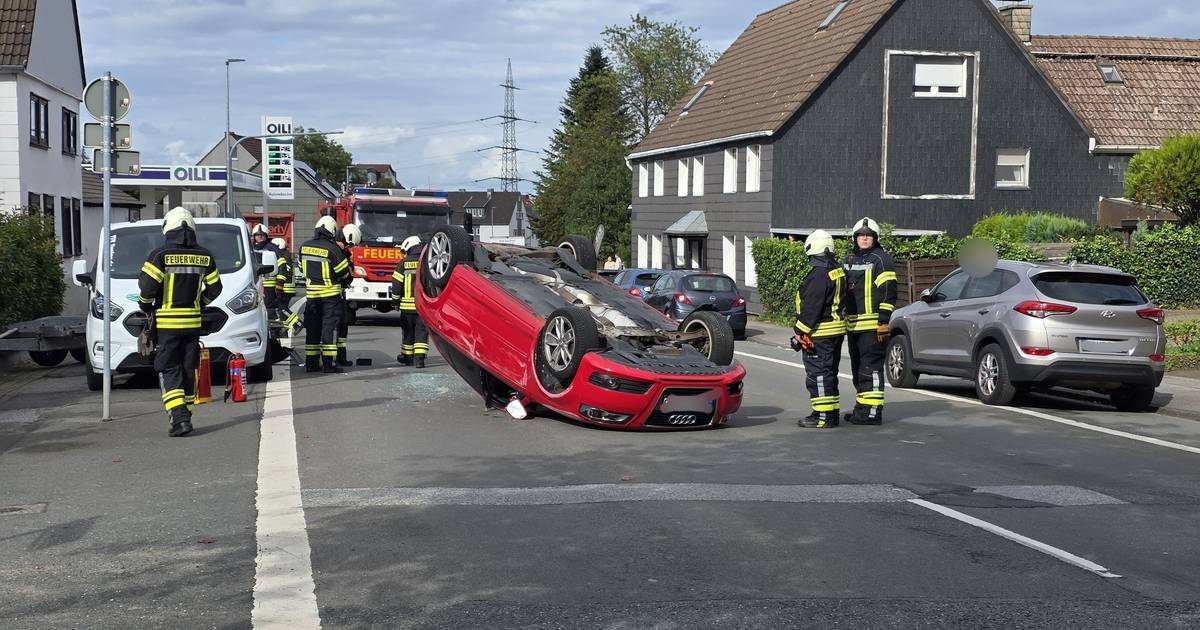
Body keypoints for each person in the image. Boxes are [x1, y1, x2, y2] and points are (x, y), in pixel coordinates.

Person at [137, 207, 222, 437]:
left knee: (168, 368)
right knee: (187, 368)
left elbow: (146, 289)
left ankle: (179, 418)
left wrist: (146, 306)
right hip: (193, 324)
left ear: (168, 228)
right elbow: (216, 288)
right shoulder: (205, 255)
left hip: (166, 324)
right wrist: (199, 302)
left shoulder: (159, 255)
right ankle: (185, 413)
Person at [842, 217, 897, 425]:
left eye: (869, 235)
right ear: (855, 238)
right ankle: (861, 410)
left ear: (875, 238)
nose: (864, 239)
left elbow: (889, 292)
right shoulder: (849, 259)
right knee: (858, 370)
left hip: (873, 327)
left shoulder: (881, 259)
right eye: (861, 235)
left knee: (871, 369)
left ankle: (873, 412)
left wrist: (883, 321)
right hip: (853, 325)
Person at [792, 229, 847, 429]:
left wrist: (800, 332)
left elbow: (812, 307)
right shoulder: (837, 270)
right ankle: (831, 413)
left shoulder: (818, 274)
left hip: (820, 333)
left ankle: (822, 417)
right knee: (829, 373)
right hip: (836, 330)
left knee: (819, 375)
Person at [299, 216, 350, 373]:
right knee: (328, 329)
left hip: (312, 296)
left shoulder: (304, 246)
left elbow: (301, 268)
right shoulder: (333, 249)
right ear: (332, 231)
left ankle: (311, 363)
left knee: (313, 329)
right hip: (331, 297)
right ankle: (328, 365)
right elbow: (344, 274)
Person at [391, 235, 429, 368]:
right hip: (422, 306)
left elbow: (396, 284)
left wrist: (395, 301)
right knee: (421, 332)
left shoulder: (403, 263)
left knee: (408, 331)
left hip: (406, 307)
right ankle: (419, 360)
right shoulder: (426, 263)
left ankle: (407, 358)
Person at [335, 224, 362, 367]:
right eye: (350, 244)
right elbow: (343, 273)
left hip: (338, 294)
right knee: (335, 326)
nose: (349, 248)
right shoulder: (336, 251)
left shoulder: (342, 252)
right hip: (333, 295)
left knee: (342, 326)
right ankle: (334, 358)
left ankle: (340, 356)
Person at [251, 224, 280, 318]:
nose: (259, 236)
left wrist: (280, 283)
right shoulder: (250, 248)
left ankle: (274, 330)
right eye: (257, 234)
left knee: (269, 308)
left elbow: (281, 264)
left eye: (262, 235)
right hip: (253, 282)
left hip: (268, 283)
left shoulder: (272, 247)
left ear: (266, 236)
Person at [271, 238, 299, 331]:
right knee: (282, 310)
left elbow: (282, 271)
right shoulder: (287, 254)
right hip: (288, 287)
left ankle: (297, 323)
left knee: (282, 309)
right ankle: (284, 331)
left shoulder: (281, 255)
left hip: (285, 287)